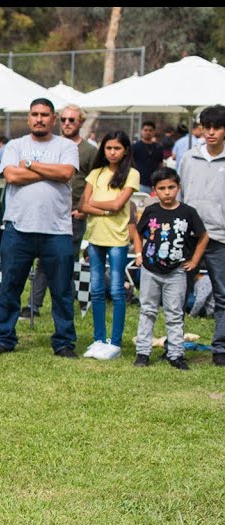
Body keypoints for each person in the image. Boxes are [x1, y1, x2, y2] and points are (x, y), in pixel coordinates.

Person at [0, 98, 80, 358]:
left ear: (54, 118)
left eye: (45, 115)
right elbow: (11, 176)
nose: (39, 119)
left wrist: (29, 165)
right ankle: (5, 338)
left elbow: (66, 174)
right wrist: (49, 171)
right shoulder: (15, 145)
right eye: (35, 114)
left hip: (57, 229)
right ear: (29, 118)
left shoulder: (66, 146)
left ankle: (64, 342)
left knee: (62, 290)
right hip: (19, 227)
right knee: (10, 287)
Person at [132, 167, 208, 370]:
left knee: (175, 313)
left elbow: (203, 236)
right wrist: (139, 254)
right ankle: (142, 352)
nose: (167, 192)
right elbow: (137, 232)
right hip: (150, 269)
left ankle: (176, 354)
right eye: (162, 188)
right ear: (155, 191)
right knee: (147, 310)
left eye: (171, 187)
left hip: (176, 272)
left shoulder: (188, 212)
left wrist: (194, 260)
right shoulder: (151, 211)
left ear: (178, 187)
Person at [25, 104, 94, 320]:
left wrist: (83, 209)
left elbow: (96, 181)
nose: (67, 124)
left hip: (73, 214)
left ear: (81, 122)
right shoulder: (53, 147)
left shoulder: (89, 151)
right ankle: (36, 304)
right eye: (63, 119)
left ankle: (53, 305)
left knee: (63, 261)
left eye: (72, 120)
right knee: (45, 261)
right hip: (48, 212)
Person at [78, 130, 140, 360]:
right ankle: (98, 339)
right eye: (108, 148)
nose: (112, 152)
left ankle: (115, 342)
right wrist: (105, 208)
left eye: (117, 148)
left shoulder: (131, 174)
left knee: (116, 289)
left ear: (125, 151)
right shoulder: (95, 173)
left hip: (117, 239)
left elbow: (119, 204)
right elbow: (83, 205)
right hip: (95, 237)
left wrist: (98, 204)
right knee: (96, 290)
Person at [178, 104, 225, 367]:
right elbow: (181, 195)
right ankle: (176, 345)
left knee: (223, 294)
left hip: (220, 235)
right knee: (178, 292)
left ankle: (220, 348)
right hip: (189, 236)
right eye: (207, 127)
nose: (211, 133)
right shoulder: (188, 158)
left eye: (217, 127)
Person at [132, 121, 163, 193]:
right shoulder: (135, 146)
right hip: (139, 182)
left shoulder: (158, 147)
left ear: (154, 132)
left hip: (154, 183)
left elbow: (160, 164)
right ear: (141, 131)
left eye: (150, 130)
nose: (148, 132)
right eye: (145, 130)